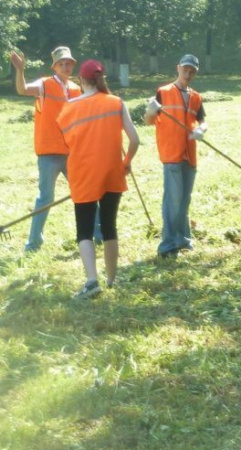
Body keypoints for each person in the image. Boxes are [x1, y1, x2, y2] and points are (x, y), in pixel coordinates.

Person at [56, 60, 139, 299]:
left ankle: (92, 281)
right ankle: (112, 279)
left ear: (81, 81)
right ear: (101, 79)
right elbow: (135, 140)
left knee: (84, 230)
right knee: (109, 226)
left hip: (83, 174)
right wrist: (126, 163)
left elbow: (67, 143)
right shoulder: (116, 103)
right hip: (113, 171)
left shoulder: (69, 108)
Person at [10, 47, 92, 252]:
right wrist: (20, 70)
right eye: (61, 63)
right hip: (49, 152)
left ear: (73, 65)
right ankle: (33, 243)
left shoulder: (76, 88)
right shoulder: (45, 84)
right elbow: (22, 90)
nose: (65, 66)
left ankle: (97, 234)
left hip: (72, 152)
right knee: (46, 197)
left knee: (85, 192)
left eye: (68, 63)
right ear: (54, 66)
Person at [143, 54, 208, 259]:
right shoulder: (164, 92)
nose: (188, 74)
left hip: (190, 154)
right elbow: (148, 121)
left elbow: (203, 121)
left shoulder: (196, 96)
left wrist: (201, 130)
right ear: (178, 68)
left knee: (184, 200)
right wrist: (151, 111)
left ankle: (183, 240)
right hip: (171, 153)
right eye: (185, 69)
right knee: (173, 199)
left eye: (192, 71)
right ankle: (167, 245)